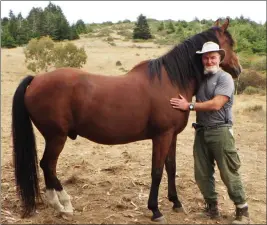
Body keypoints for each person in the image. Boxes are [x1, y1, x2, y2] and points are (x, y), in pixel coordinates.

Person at [170, 41, 250, 224]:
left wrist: (188, 106)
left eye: (212, 57)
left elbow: (216, 104)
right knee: (202, 174)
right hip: (202, 132)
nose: (208, 61)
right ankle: (212, 208)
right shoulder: (202, 79)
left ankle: (242, 210)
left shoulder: (225, 78)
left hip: (220, 131)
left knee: (229, 172)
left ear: (220, 59)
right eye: (205, 58)